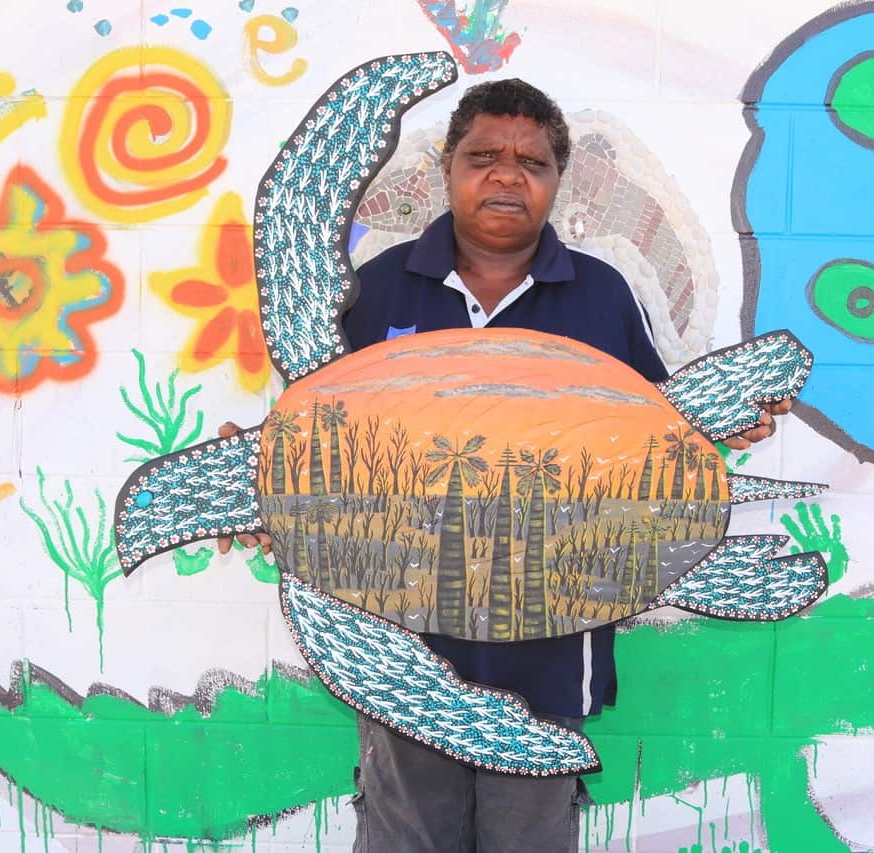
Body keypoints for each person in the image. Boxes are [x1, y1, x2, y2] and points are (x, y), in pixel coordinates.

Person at [221, 79, 787, 853]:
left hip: (551, 643)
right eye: (484, 155)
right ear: (448, 168)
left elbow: (654, 432)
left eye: (532, 161)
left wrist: (719, 426)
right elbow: (324, 436)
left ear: (558, 179)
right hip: (400, 644)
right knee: (404, 838)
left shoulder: (601, 295)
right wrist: (263, 468)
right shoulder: (377, 288)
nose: (507, 174)